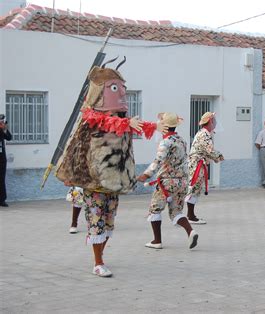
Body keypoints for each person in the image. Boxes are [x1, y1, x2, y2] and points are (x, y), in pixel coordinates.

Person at [55, 58, 157, 277]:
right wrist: (70, 174)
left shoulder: (124, 121)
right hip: (94, 183)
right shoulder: (92, 120)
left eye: (121, 88)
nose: (120, 94)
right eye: (114, 88)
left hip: (114, 183)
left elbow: (129, 138)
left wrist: (157, 126)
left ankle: (100, 255)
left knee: (109, 222)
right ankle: (98, 261)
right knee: (96, 220)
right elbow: (77, 146)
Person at [137, 112, 198, 250]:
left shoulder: (165, 142)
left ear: (164, 126)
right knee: (176, 212)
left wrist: (146, 175)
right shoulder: (182, 140)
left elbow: (158, 161)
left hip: (166, 182)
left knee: (155, 209)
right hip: (182, 181)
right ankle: (191, 231)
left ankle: (156, 241)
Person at [185, 112, 224, 224]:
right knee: (194, 188)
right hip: (197, 165)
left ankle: (190, 215)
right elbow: (210, 150)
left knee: (195, 189)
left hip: (197, 164)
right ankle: (190, 216)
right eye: (214, 120)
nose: (215, 123)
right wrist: (220, 156)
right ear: (210, 122)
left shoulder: (204, 133)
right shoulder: (204, 135)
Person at [0, 114, 12, 207]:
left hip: (2, 159)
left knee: (1, 179)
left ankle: (2, 200)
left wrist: (4, 129)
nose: (2, 123)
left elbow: (9, 137)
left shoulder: (2, 131)